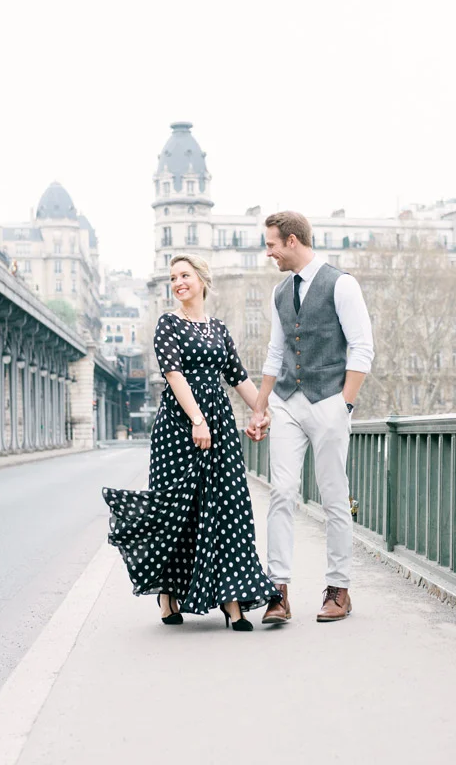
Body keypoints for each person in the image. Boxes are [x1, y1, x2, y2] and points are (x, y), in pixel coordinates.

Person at [102, 254, 280, 632]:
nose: (177, 283)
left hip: (220, 425)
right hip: (179, 427)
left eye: (184, 275)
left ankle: (232, 600)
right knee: (178, 511)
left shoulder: (218, 328)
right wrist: (197, 419)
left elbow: (238, 376)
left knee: (229, 507)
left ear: (202, 279)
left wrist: (261, 412)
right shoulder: (168, 323)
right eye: (173, 278)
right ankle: (168, 593)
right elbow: (173, 374)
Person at [247, 211, 374, 624]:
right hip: (287, 400)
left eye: (271, 244)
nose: (268, 253)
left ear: (292, 241)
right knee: (282, 491)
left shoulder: (342, 284)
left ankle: (339, 589)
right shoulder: (280, 292)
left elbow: (362, 348)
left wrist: (344, 404)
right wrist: (260, 407)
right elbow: (276, 352)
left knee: (334, 495)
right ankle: (278, 591)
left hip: (328, 401)